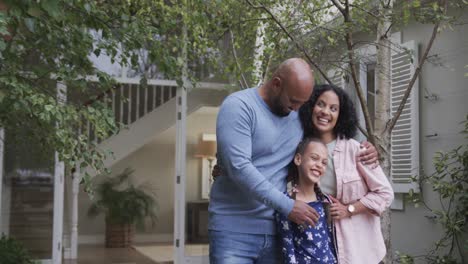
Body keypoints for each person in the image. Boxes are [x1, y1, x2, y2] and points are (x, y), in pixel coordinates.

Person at [209, 58, 378, 263]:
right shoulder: (239, 106)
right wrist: (288, 205)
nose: (298, 109)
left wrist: (365, 148)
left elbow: (325, 138)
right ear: (276, 83)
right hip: (234, 230)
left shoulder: (296, 115)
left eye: (303, 103)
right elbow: (239, 167)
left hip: (278, 231)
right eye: (294, 101)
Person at [298, 84, 394, 263]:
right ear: (311, 107)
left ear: (340, 116)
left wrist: (349, 209)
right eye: (321, 104)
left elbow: (385, 193)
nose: (325, 112)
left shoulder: (357, 150)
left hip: (357, 250)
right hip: (316, 245)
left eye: (333, 108)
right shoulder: (299, 149)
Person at [276, 137, 337, 264]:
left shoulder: (325, 201)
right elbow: (288, 249)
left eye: (324, 162)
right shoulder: (287, 203)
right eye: (314, 158)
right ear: (298, 159)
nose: (319, 164)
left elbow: (330, 243)